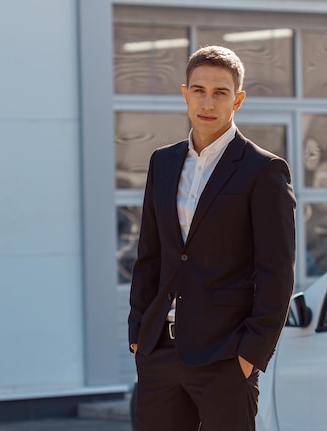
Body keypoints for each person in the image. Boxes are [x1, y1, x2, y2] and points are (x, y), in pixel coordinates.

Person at [127, 45, 296, 431]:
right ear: (185, 94)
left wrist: (250, 355)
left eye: (220, 92)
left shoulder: (263, 170)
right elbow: (149, 255)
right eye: (199, 90)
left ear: (237, 100)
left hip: (226, 357)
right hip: (159, 354)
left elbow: (276, 271)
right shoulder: (163, 162)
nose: (208, 102)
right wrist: (138, 331)